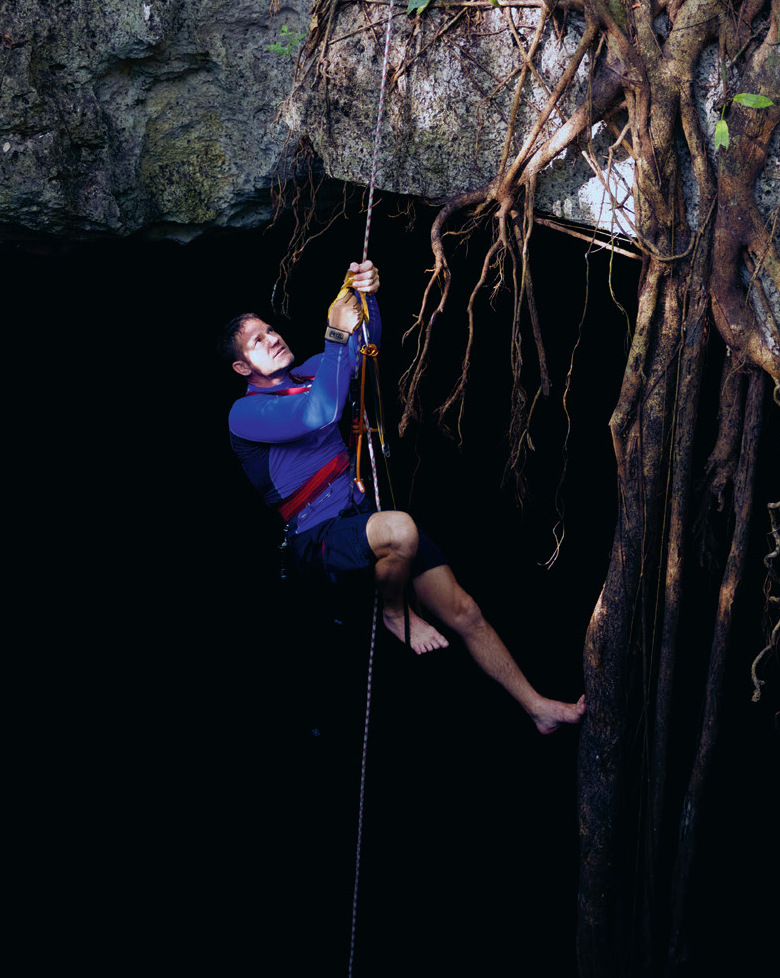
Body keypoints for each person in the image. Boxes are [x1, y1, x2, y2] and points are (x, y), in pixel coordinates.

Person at [223, 259, 585, 735]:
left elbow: (362, 349)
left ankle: (538, 707)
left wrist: (365, 296)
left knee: (464, 610)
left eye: (270, 329)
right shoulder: (244, 415)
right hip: (317, 537)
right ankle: (395, 613)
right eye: (257, 341)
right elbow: (322, 411)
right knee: (401, 529)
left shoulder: (311, 372)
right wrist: (334, 333)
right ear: (242, 366)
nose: (272, 338)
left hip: (360, 518)